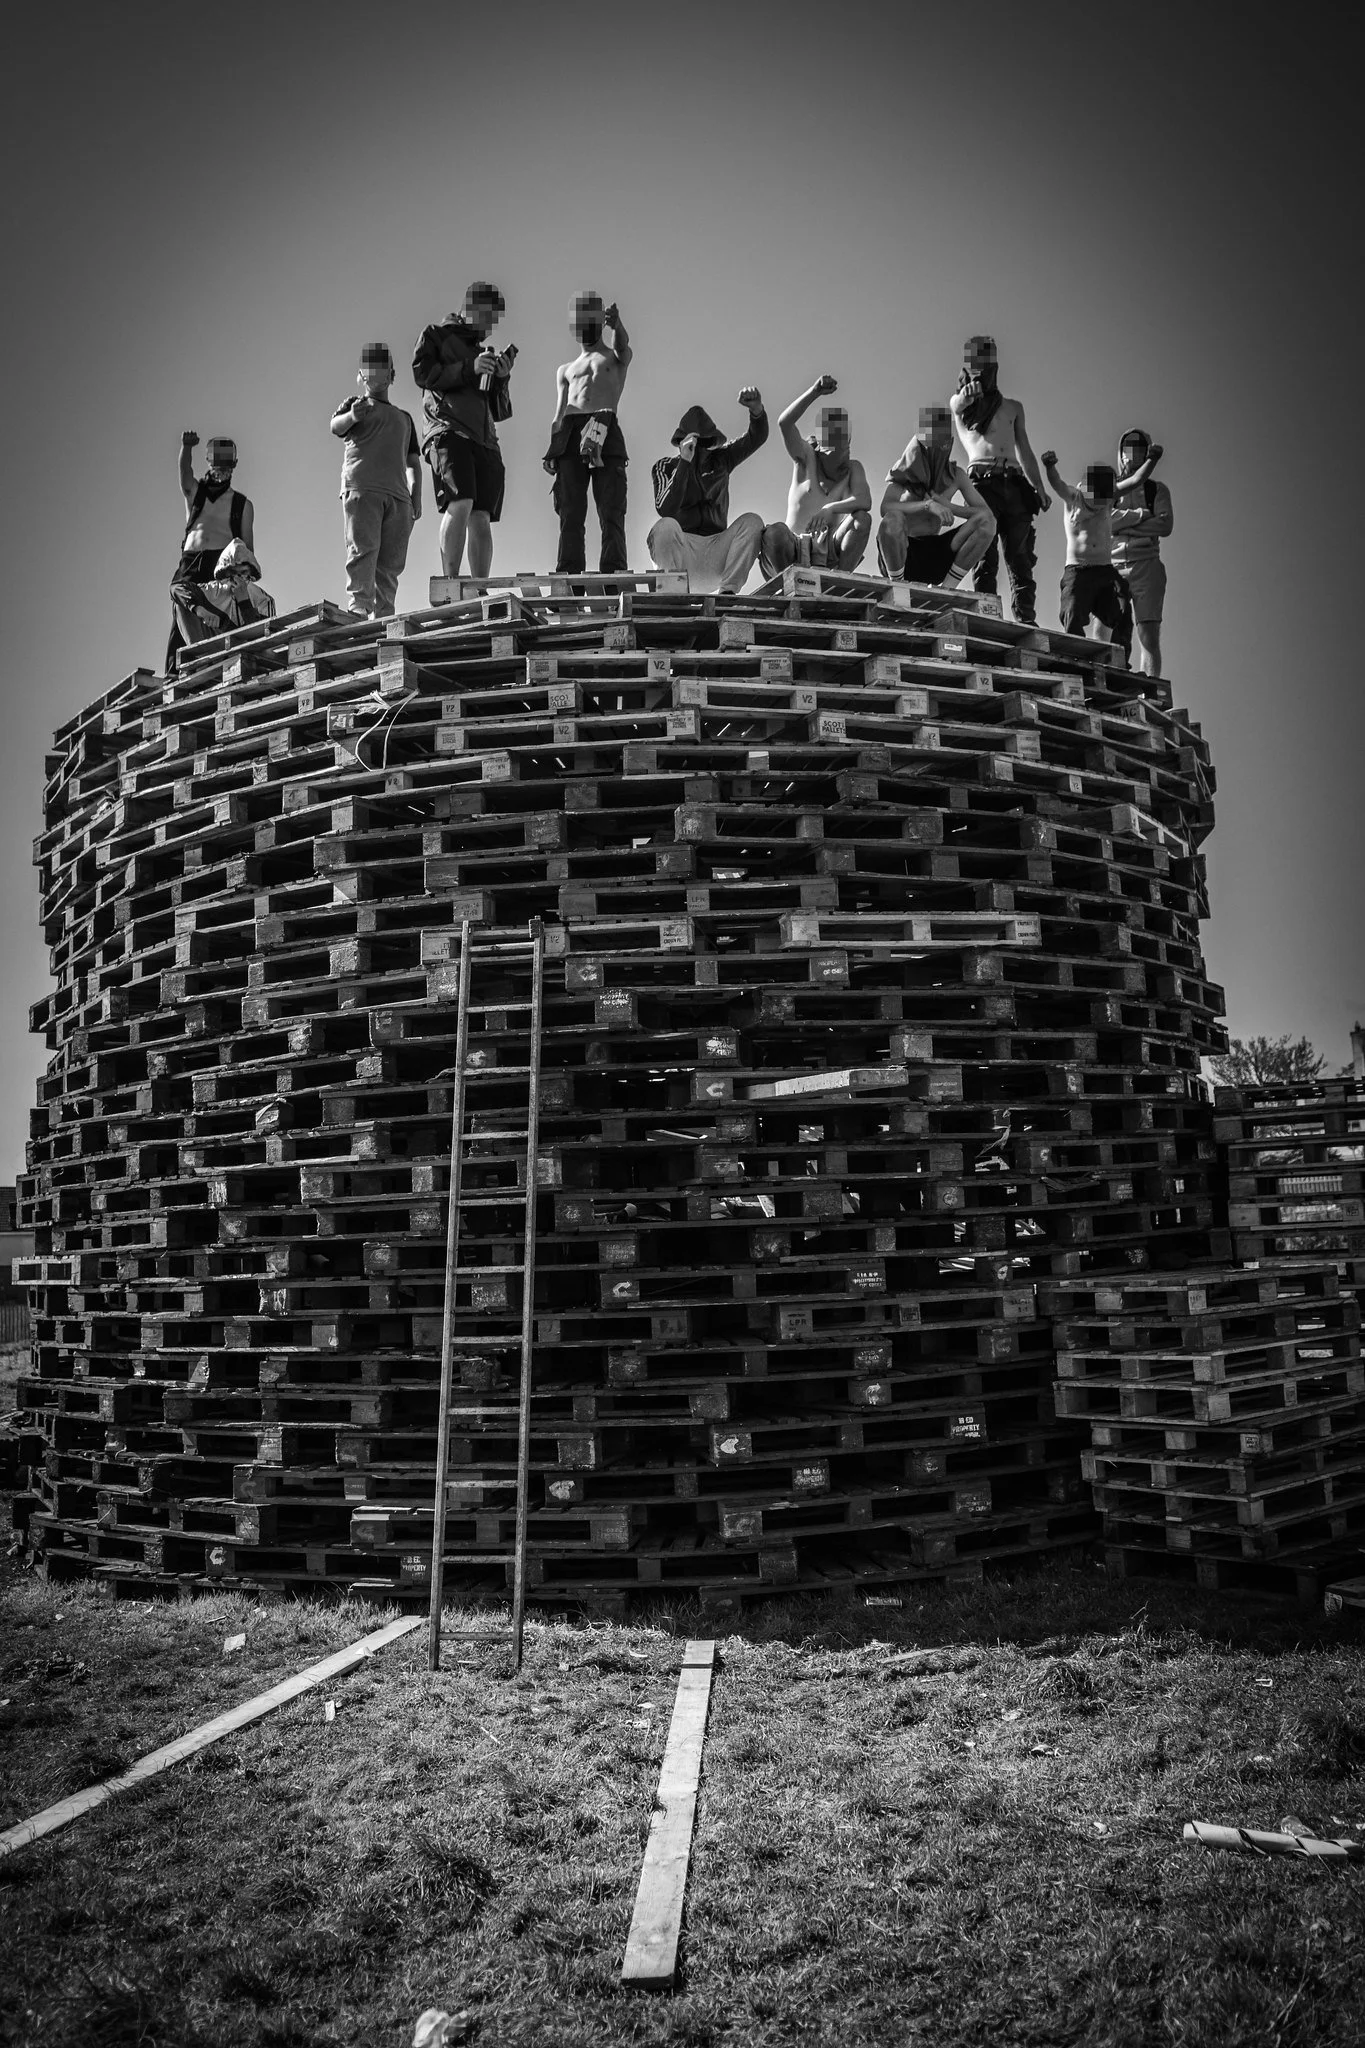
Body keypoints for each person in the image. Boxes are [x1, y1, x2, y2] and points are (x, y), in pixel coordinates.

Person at [411, 281, 514, 579]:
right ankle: (450, 584)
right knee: (461, 502)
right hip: (448, 431)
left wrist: (501, 378)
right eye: (490, 317)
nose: (492, 326)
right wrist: (470, 368)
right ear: (471, 308)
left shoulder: (481, 353)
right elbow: (423, 373)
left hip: (485, 440)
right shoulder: (436, 336)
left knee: (481, 515)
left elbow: (498, 411)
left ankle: (479, 589)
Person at [948, 335, 1050, 623]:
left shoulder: (1013, 407)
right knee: (985, 554)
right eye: (977, 359)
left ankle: (1025, 619)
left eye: (988, 358)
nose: (984, 366)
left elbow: (1026, 450)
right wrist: (968, 395)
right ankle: (987, 616)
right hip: (982, 481)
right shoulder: (965, 404)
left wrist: (1039, 487)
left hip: (1015, 481)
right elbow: (957, 403)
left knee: (1021, 557)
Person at [330, 344, 423, 619]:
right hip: (362, 489)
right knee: (363, 550)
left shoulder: (404, 418)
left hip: (397, 497)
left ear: (392, 375)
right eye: (371, 368)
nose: (378, 374)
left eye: (383, 368)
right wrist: (352, 416)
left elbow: (413, 462)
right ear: (361, 375)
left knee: (391, 563)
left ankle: (385, 613)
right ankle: (359, 606)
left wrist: (415, 496)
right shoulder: (355, 405)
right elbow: (335, 426)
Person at [544, 293, 632, 575]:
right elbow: (558, 413)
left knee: (611, 509)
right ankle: (569, 574)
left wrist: (616, 325)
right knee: (570, 512)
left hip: (604, 424)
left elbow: (623, 346)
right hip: (570, 433)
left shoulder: (614, 357)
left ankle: (613, 573)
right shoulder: (565, 369)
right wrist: (552, 448)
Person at [647, 390, 769, 593]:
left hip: (717, 553)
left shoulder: (723, 459)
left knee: (753, 521)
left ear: (713, 441)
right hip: (682, 556)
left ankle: (728, 592)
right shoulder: (665, 466)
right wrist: (684, 463)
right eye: (695, 442)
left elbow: (755, 438)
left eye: (705, 442)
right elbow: (665, 509)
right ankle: (671, 596)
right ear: (681, 442)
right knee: (664, 526)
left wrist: (756, 411)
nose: (699, 448)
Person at [1039, 446, 1159, 643]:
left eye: (1105, 499)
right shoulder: (1073, 497)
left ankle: (1119, 655)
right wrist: (1049, 466)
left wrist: (1152, 460)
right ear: (1087, 488)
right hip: (1078, 571)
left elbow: (1136, 480)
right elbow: (1057, 483)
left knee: (1121, 607)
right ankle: (1076, 650)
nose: (1100, 505)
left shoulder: (1108, 497)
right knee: (1072, 611)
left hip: (1105, 570)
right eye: (1096, 498)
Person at [759, 375, 873, 578]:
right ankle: (788, 581)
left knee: (862, 519)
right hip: (792, 546)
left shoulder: (851, 468)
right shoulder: (806, 456)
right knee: (774, 532)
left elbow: (864, 501)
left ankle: (840, 580)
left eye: (841, 435)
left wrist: (829, 508)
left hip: (829, 550)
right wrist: (814, 391)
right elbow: (785, 423)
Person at [876, 404, 996, 588]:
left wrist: (949, 506)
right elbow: (885, 508)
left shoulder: (956, 475)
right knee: (892, 519)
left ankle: (947, 589)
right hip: (904, 557)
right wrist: (928, 505)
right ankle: (898, 587)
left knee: (987, 522)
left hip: (936, 557)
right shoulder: (906, 471)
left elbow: (985, 515)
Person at [167, 433, 254, 671]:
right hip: (190, 563)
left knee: (196, 604)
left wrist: (241, 573)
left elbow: (247, 547)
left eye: (226, 461)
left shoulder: (241, 504)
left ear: (233, 465)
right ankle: (174, 673)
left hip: (219, 566)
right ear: (209, 461)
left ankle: (219, 641)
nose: (221, 467)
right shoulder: (197, 493)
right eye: (217, 460)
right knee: (180, 608)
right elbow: (185, 475)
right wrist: (186, 447)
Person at [1110, 428, 1173, 677]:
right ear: (1121, 452)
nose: (1132, 452)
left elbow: (1165, 525)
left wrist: (1122, 524)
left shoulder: (1157, 490)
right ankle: (1110, 680)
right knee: (1106, 628)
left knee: (1148, 635)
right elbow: (1098, 521)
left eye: (1139, 447)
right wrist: (1139, 517)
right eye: (1128, 446)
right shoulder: (1106, 485)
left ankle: (1151, 689)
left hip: (1147, 565)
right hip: (1112, 565)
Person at [170, 538, 275, 649]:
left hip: (249, 651)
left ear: (251, 574)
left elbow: (264, 636)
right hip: (217, 645)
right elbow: (176, 588)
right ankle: (201, 654)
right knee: (182, 602)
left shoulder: (263, 598)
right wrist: (199, 610)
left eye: (243, 572)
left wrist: (244, 602)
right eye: (233, 572)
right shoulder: (213, 589)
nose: (238, 578)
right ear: (225, 573)